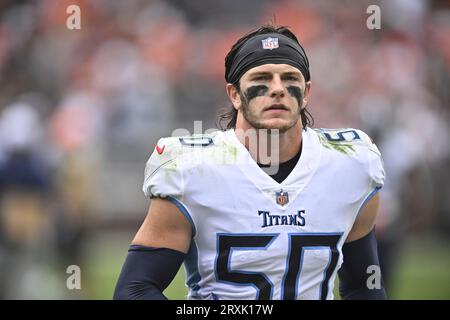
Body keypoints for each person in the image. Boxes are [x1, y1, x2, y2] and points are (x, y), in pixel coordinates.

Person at [114, 25, 387, 300]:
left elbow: (364, 287)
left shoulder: (351, 163)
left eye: (290, 77)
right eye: (262, 77)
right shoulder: (191, 169)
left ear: (306, 92)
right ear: (234, 94)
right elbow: (134, 291)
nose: (278, 89)